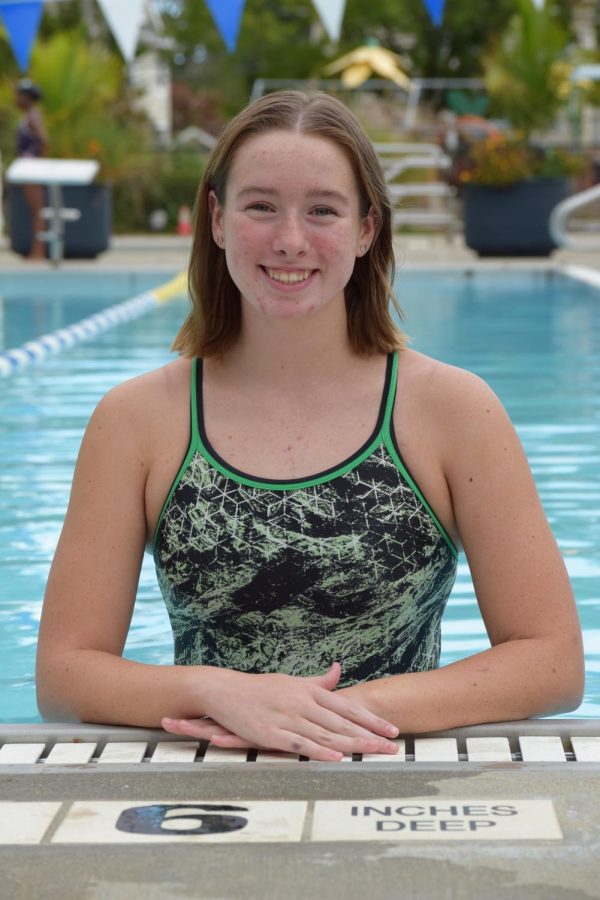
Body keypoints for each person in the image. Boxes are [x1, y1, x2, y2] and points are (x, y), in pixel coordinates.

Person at [36, 91, 584, 761]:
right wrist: (215, 691)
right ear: (216, 219)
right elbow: (64, 673)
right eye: (260, 206)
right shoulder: (137, 422)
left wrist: (327, 715)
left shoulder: (452, 412)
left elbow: (553, 663)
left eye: (322, 210)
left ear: (366, 230)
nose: (290, 239)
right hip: (204, 786)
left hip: (397, 781)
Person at [15, 79, 48, 261]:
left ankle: (38, 251)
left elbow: (43, 141)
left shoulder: (33, 116)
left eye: (19, 96)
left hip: (31, 169)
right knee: (33, 210)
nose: (16, 99)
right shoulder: (29, 115)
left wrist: (37, 163)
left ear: (27, 98)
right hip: (27, 168)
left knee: (37, 210)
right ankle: (36, 250)